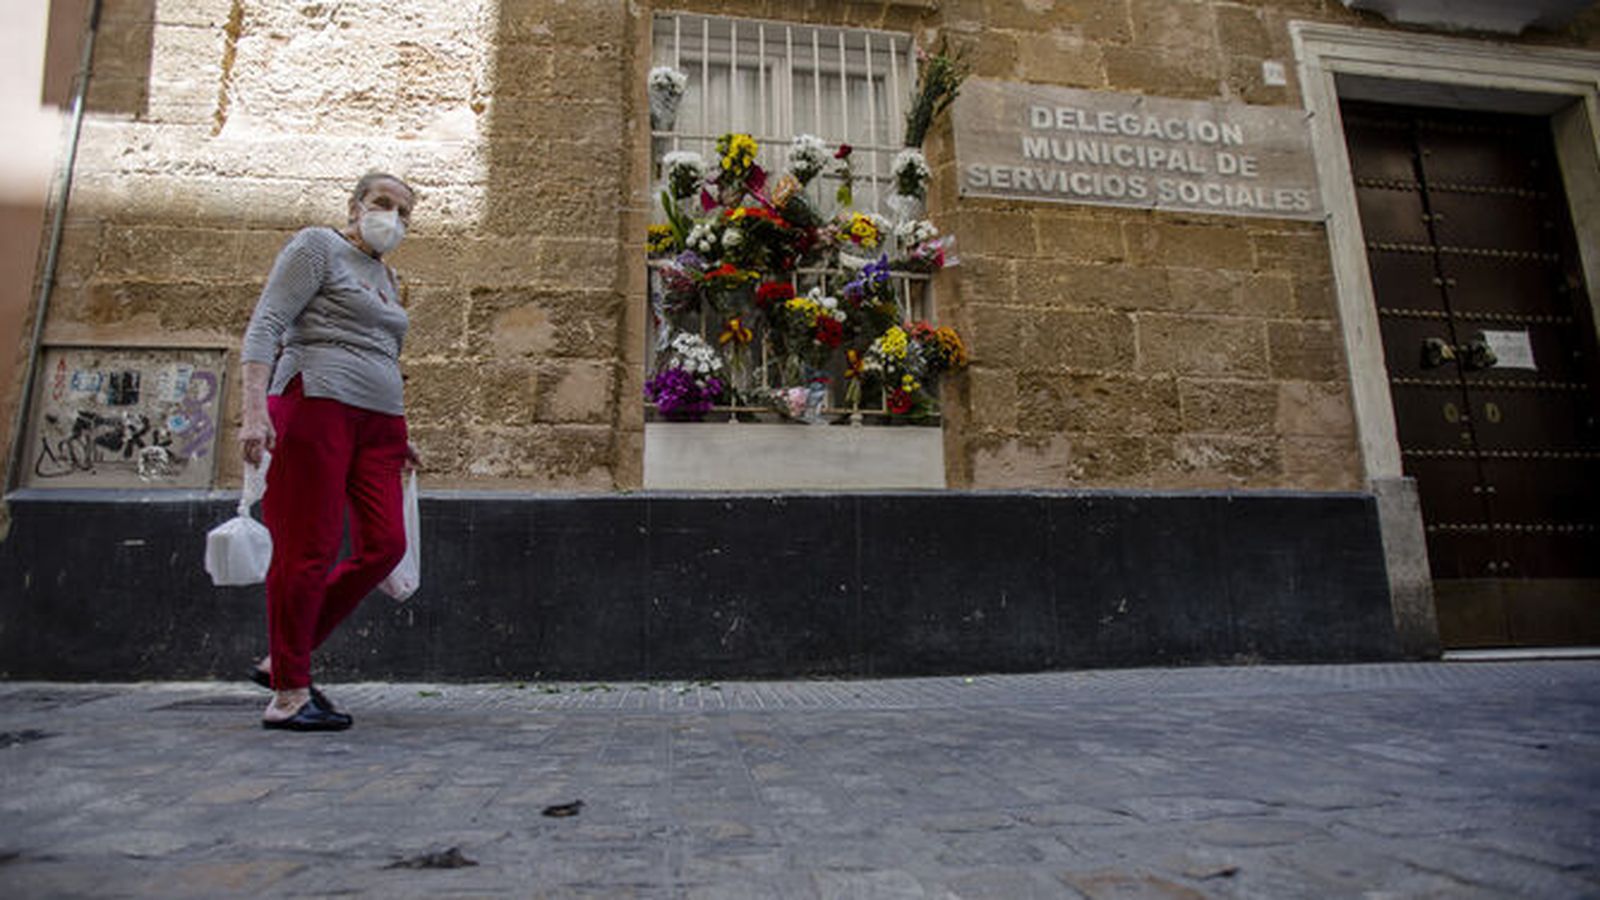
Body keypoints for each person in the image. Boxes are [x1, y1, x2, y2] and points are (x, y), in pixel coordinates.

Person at [238, 172, 420, 732]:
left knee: (385, 545)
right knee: (307, 548)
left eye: (404, 212)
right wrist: (254, 411)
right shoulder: (317, 246)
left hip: (380, 424)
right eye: (383, 203)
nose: (393, 217)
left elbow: (381, 350)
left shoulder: (387, 277)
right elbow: (267, 324)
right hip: (315, 403)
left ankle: (283, 657)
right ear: (356, 205)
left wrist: (400, 434)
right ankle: (289, 695)